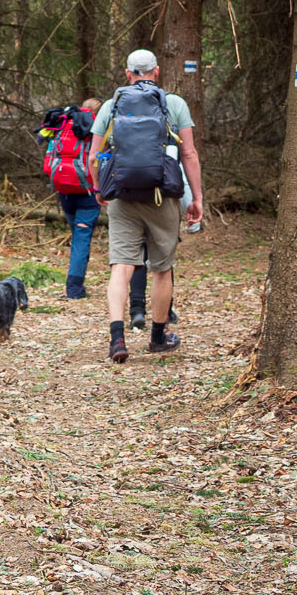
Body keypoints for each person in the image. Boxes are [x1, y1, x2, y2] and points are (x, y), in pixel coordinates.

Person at [87, 50, 204, 364]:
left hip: (123, 197)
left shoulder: (111, 106)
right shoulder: (174, 104)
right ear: (156, 72)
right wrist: (196, 197)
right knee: (161, 270)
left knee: (121, 267)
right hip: (162, 196)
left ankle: (117, 338)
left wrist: (99, 188)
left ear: (128, 74)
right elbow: (189, 154)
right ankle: (157, 337)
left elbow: (94, 156)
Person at [41, 98, 102, 298]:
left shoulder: (64, 123)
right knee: (81, 238)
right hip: (88, 192)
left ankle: (76, 282)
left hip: (64, 190)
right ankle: (75, 288)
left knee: (77, 234)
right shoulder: (97, 128)